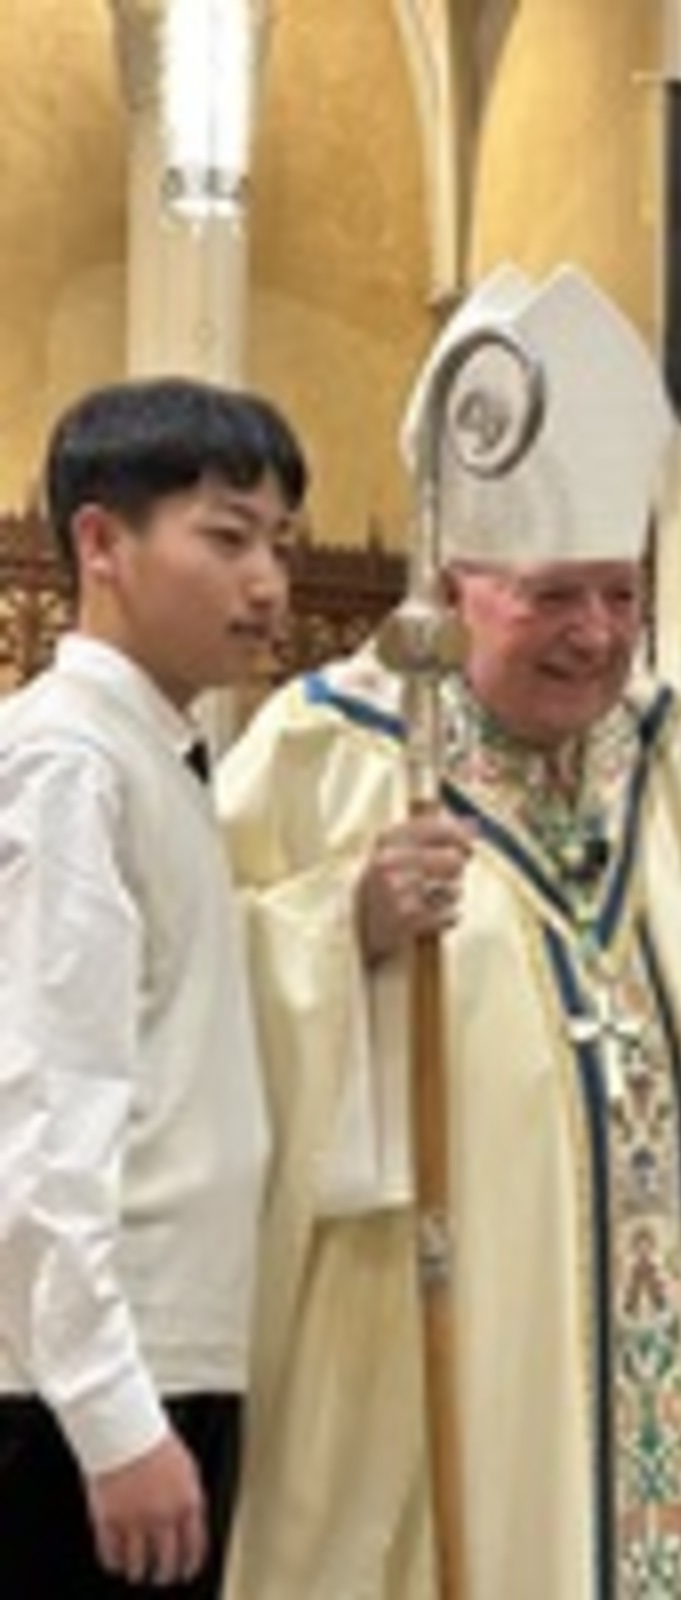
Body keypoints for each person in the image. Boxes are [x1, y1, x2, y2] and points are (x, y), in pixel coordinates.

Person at [217, 264, 681, 1598]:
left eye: (620, 593)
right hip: (426, 1322)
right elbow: (199, 1005)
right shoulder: (331, 751)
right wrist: (342, 925)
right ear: (456, 587)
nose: (596, 634)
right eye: (554, 596)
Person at [0, 378, 306, 1597]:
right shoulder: (67, 763)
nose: (267, 583)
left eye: (279, 544)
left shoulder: (154, 756)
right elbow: (41, 1104)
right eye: (226, 538)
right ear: (100, 542)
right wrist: (112, 1414)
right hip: (81, 1388)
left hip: (160, 1352)